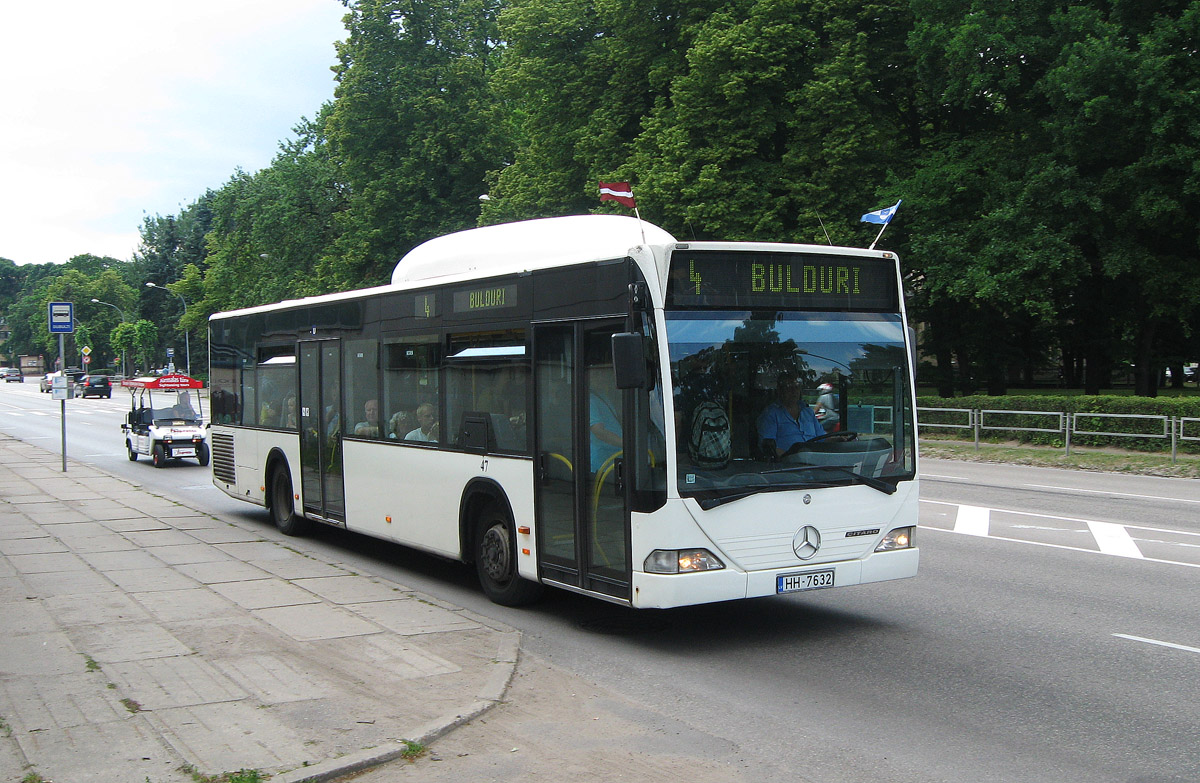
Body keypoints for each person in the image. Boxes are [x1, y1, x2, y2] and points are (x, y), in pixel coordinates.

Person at [757, 372, 825, 458]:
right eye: (789, 387)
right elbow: (769, 448)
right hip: (787, 467)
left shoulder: (808, 412)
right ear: (780, 390)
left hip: (816, 464)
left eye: (796, 387)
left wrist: (839, 439)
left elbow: (823, 438)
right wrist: (793, 458)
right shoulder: (771, 414)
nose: (794, 391)